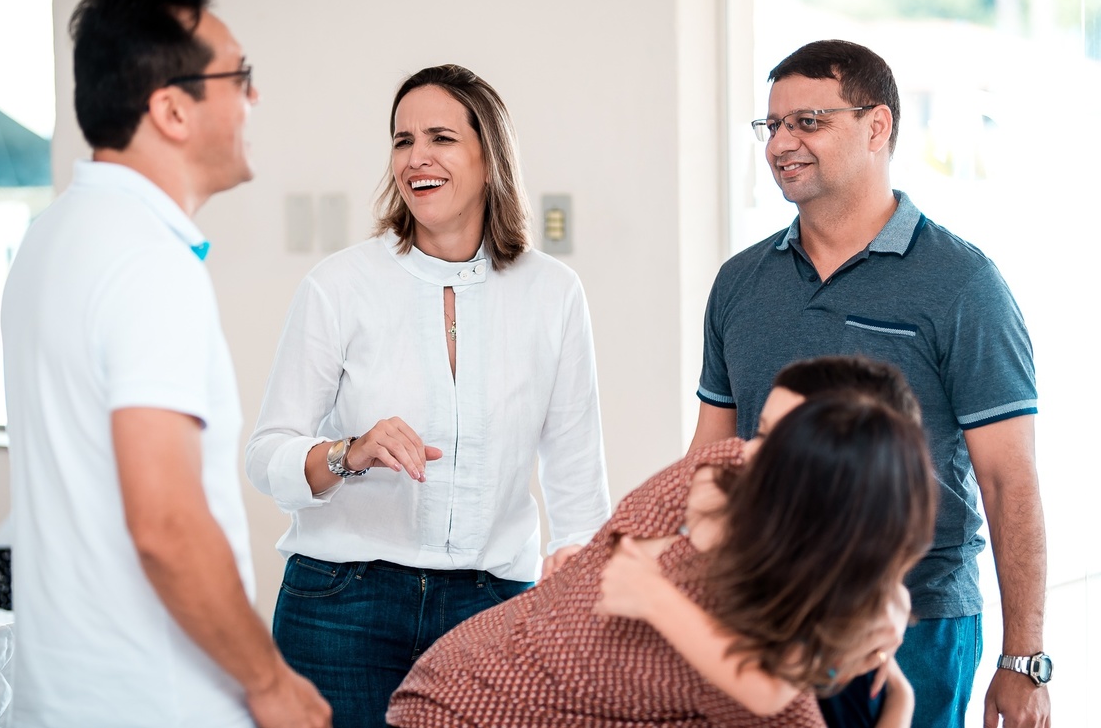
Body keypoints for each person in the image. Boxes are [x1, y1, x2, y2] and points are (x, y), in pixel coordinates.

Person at [1, 0, 330, 728]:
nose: (255, 98)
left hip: (64, 695)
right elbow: (167, 525)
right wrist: (271, 680)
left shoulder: (49, 239)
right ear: (172, 111)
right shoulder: (149, 263)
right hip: (157, 701)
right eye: (239, 77)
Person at [690, 39, 1048, 727]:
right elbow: (708, 462)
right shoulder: (739, 282)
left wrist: (1023, 658)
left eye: (808, 122)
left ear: (877, 126)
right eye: (773, 126)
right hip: (763, 618)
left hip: (917, 625)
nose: (781, 144)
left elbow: (1010, 480)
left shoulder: (963, 284)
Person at [246, 63, 611, 727]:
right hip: (339, 605)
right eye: (401, 139)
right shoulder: (339, 284)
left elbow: (577, 477)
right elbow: (267, 455)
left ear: (488, 155)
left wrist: (578, 575)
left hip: (492, 606)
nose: (417, 157)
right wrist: (349, 452)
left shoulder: (553, 293)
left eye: (440, 137)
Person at [386, 386, 938, 728]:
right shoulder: (702, 570)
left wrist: (892, 650)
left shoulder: (768, 600)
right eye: (764, 432)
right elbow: (767, 689)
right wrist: (901, 700)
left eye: (777, 446)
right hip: (464, 703)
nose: (748, 452)